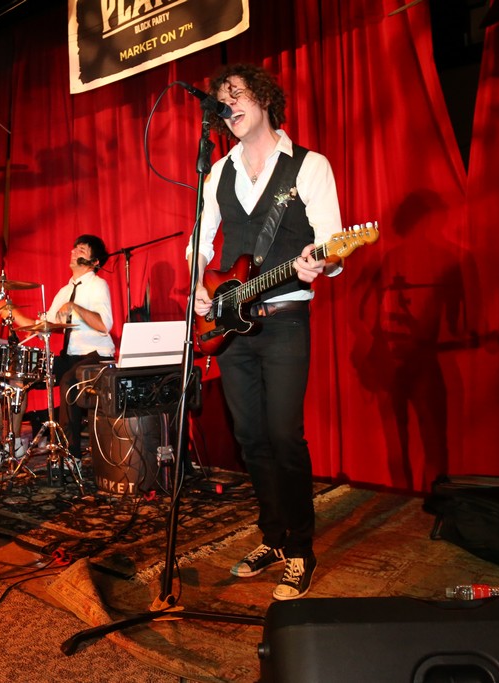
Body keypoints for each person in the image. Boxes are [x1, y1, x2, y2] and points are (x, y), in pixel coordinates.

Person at [190, 64, 344, 601]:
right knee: (250, 439)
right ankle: (273, 537)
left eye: (237, 95)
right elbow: (200, 243)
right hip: (231, 326)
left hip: (284, 322)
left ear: (263, 98)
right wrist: (200, 286)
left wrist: (321, 261)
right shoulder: (218, 172)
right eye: (222, 99)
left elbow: (332, 243)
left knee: (283, 437)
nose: (228, 106)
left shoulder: (309, 166)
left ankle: (301, 549)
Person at [6, 235, 116, 461]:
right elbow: (43, 325)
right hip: (70, 357)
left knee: (68, 381)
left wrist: (75, 307)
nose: (74, 252)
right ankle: (14, 444)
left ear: (95, 261)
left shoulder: (98, 285)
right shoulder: (65, 291)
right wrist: (10, 311)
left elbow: (104, 325)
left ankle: (71, 455)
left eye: (82, 250)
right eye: (74, 248)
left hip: (96, 356)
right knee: (20, 376)